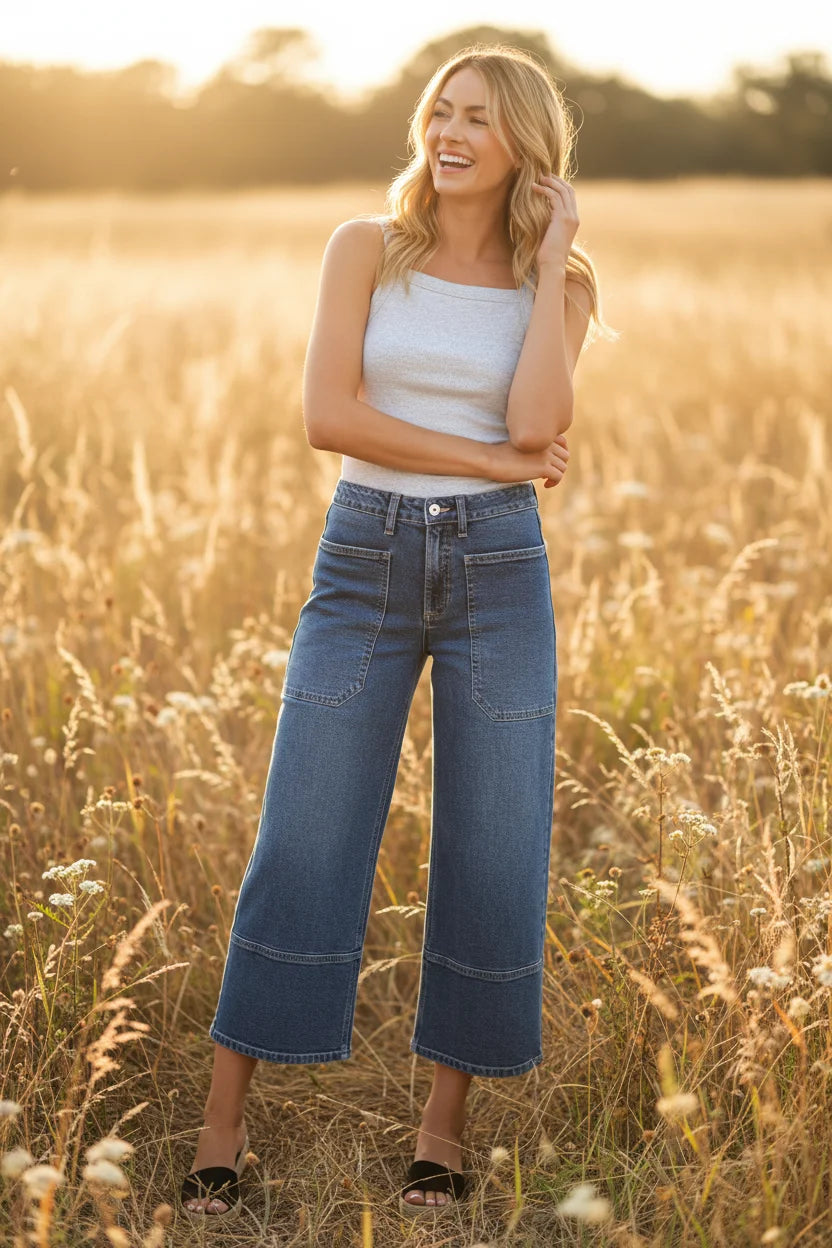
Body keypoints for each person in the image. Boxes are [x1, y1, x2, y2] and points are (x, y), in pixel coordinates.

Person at [180, 41, 610, 1224]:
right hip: (366, 552)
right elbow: (332, 416)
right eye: (438, 111)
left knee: (493, 843)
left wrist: (556, 255)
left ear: (526, 141)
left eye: (477, 116)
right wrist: (484, 460)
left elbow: (540, 423)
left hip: (499, 573)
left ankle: (440, 1140)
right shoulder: (365, 248)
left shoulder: (558, 288)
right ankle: (221, 1132)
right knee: (306, 830)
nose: (449, 132)